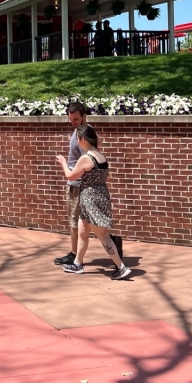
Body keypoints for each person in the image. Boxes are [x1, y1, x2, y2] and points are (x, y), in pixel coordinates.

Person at [55, 124, 131, 280]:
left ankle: (121, 267)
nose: (77, 142)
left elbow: (71, 176)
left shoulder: (85, 158)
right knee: (83, 232)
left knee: (103, 236)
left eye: (78, 139)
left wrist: (63, 162)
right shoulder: (101, 156)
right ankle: (77, 264)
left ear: (82, 139)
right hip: (101, 196)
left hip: (90, 200)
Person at [53, 101, 88, 267]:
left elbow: (86, 160)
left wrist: (64, 163)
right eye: (71, 119)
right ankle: (113, 243)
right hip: (76, 183)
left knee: (75, 222)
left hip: (77, 183)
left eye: (76, 119)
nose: (73, 122)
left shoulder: (83, 135)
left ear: (84, 117)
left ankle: (74, 255)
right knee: (85, 221)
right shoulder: (80, 132)